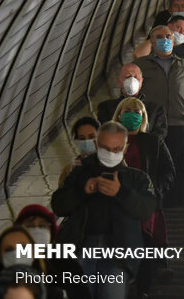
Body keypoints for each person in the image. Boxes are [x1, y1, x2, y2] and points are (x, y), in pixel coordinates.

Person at [51, 121, 156, 299]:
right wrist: (81, 191)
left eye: (116, 149)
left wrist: (121, 192)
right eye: (106, 148)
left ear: (125, 148)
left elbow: (147, 209)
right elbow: (58, 205)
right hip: (83, 247)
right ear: (97, 145)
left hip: (119, 251)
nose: (110, 153)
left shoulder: (138, 178)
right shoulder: (79, 173)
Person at [112, 98, 175, 298]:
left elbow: (169, 170)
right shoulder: (110, 142)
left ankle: (143, 290)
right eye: (128, 110)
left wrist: (157, 190)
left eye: (137, 111)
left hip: (145, 203)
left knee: (146, 243)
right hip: (118, 204)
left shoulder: (153, 142)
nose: (132, 114)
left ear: (143, 117)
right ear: (119, 115)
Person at [133, 25, 184, 203]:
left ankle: (177, 196)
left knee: (178, 161)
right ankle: (157, 197)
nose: (165, 40)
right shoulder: (142, 66)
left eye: (168, 36)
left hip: (179, 122)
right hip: (154, 123)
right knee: (156, 162)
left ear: (174, 40)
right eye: (159, 37)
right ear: (152, 41)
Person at [15, 205, 90, 299]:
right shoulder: (11, 260)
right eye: (30, 226)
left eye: (42, 226)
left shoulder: (65, 261)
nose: (37, 230)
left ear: (51, 232)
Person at [96, 63, 168, 139]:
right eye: (128, 77)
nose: (132, 80)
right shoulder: (106, 108)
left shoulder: (156, 110)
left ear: (141, 82)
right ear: (120, 81)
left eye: (136, 77)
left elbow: (160, 135)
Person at [0, 226, 65, 299]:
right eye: (9, 250)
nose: (16, 253)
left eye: (23, 247)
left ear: (34, 252)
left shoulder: (55, 293)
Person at [59, 116, 100, 186]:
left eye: (91, 137)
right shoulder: (70, 169)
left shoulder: (111, 164)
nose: (87, 141)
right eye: (82, 138)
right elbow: (60, 194)